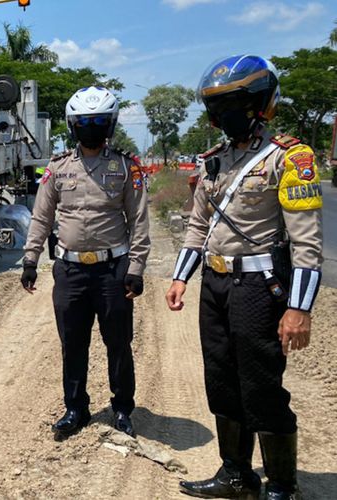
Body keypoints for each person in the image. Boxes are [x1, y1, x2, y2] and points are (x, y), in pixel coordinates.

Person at [165, 55, 323, 500]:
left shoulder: (289, 159)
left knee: (260, 386)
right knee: (220, 380)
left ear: (259, 104)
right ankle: (236, 473)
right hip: (213, 286)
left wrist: (298, 307)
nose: (222, 116)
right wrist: (181, 277)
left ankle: (282, 487)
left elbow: (307, 242)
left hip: (259, 287)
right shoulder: (215, 161)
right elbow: (198, 226)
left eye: (232, 104)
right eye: (216, 106)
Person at [21, 86, 150, 439]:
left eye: (98, 121)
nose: (90, 128)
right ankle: (75, 407)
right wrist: (30, 259)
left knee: (118, 344)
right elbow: (41, 217)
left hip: (113, 270)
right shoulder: (57, 168)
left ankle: (122, 408)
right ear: (72, 126)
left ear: (110, 125)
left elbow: (139, 221)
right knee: (73, 343)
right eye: (84, 122)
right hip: (71, 271)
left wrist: (135, 269)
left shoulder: (126, 167)